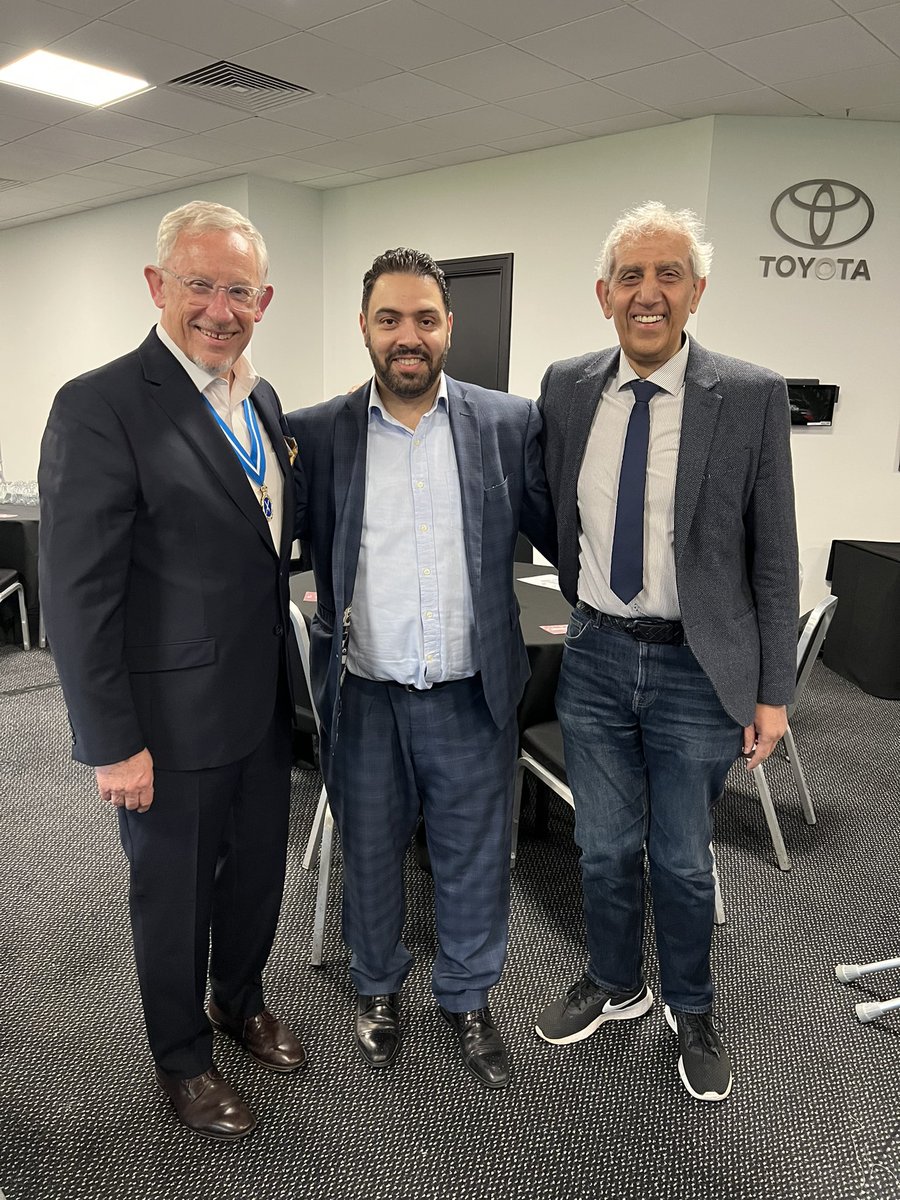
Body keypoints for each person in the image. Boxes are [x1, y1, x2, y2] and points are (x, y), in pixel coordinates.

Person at [38, 200, 305, 1140]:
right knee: (173, 894)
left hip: (261, 706)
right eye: (200, 284)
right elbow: (77, 595)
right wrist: (112, 743)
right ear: (159, 286)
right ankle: (181, 1056)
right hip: (164, 721)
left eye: (239, 291)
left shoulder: (261, 400)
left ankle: (238, 999)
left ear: (263, 299)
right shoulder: (100, 403)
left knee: (255, 880)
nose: (219, 309)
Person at [534, 202, 799, 1102]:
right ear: (604, 293)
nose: (649, 294)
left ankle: (693, 1008)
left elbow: (775, 555)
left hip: (697, 668)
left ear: (697, 292)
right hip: (598, 656)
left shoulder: (752, 395)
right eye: (631, 278)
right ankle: (618, 984)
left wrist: (773, 692)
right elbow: (550, 508)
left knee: (683, 858)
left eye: (669, 275)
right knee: (603, 848)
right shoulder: (568, 386)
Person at [286, 248, 555, 1090]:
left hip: (472, 692)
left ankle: (468, 997)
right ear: (364, 328)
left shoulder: (508, 423)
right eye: (390, 319)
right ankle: (376, 989)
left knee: (476, 856)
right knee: (368, 851)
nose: (409, 336)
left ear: (450, 327)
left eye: (425, 319)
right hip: (364, 692)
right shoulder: (317, 431)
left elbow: (566, 536)